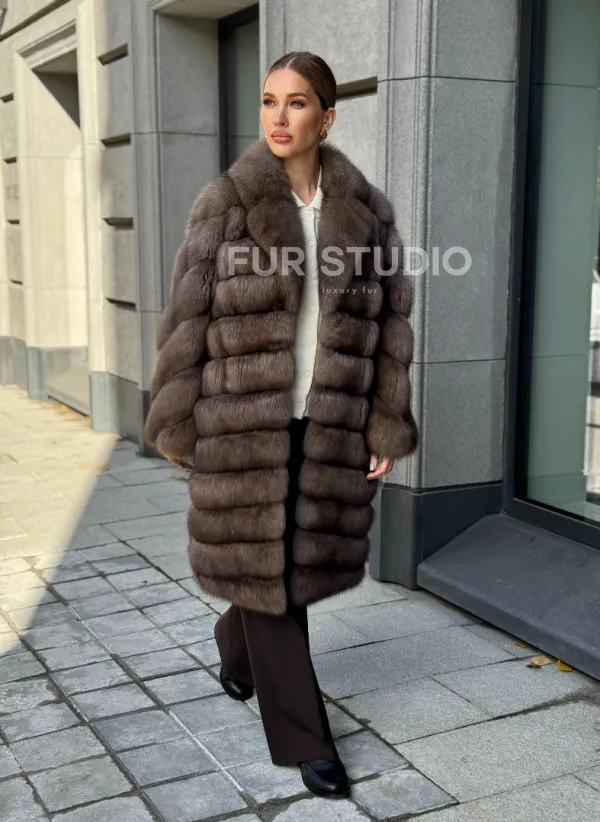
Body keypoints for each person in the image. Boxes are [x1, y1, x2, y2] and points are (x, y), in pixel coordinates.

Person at [144, 51, 418, 798]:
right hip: (240, 422)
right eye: (269, 100)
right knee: (271, 574)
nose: (279, 116)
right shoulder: (225, 203)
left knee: (282, 566)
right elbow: (187, 318)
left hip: (326, 423)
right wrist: (177, 420)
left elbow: (391, 328)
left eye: (297, 103)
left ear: (327, 117)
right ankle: (305, 738)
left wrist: (384, 420)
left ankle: (235, 646)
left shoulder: (366, 214)